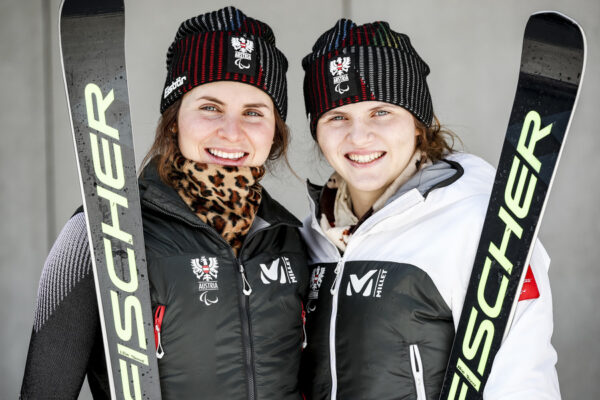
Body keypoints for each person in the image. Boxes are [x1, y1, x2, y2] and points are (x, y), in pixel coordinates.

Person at [20, 6, 308, 399]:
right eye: (210, 107)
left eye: (254, 112)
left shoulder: (293, 242)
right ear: (174, 120)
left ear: (274, 131)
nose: (231, 131)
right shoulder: (98, 235)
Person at [298, 18, 560, 399]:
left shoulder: (479, 223)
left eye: (381, 112)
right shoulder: (311, 238)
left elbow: (523, 379)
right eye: (337, 117)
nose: (358, 136)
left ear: (419, 125)